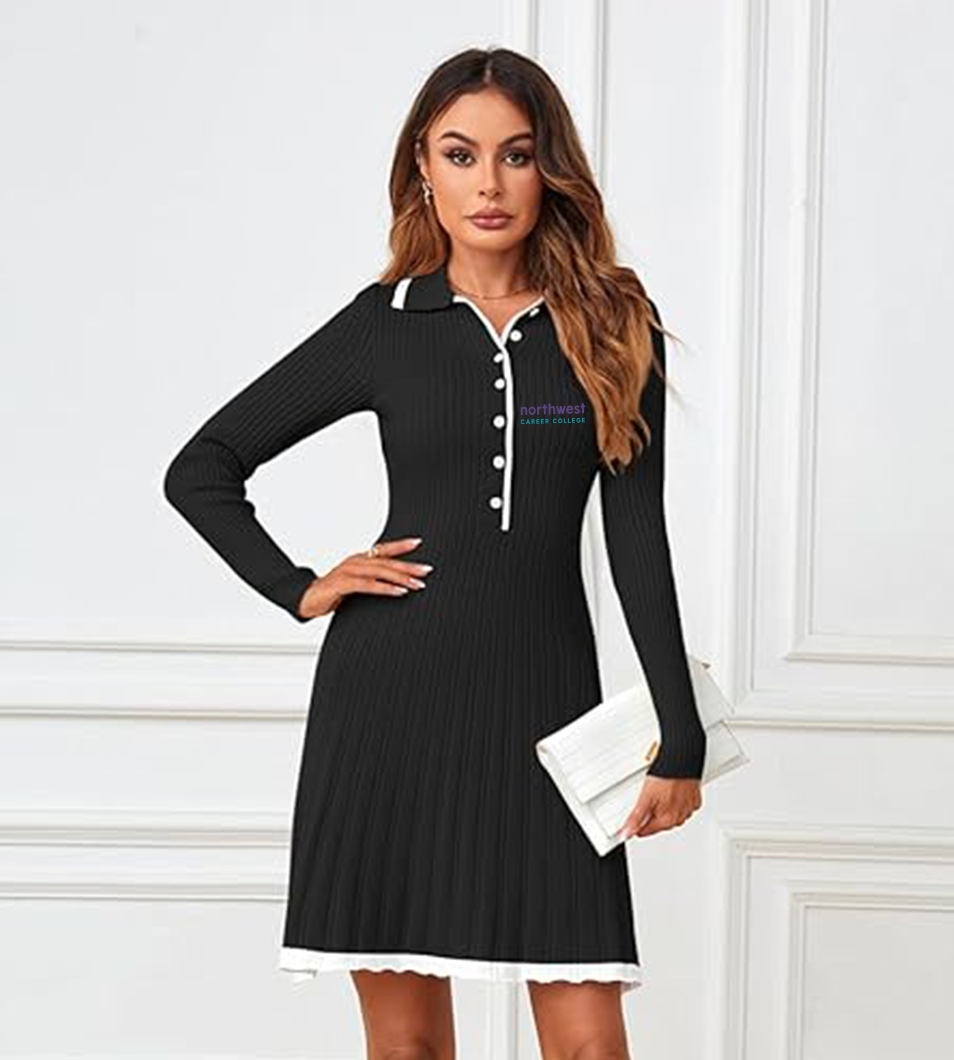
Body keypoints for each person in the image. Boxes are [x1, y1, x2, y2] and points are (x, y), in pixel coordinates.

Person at [164, 45, 705, 1060]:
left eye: (515, 154)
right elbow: (202, 466)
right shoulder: (385, 326)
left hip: (549, 710)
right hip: (389, 707)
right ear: (423, 166)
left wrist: (682, 737)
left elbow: (638, 535)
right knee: (408, 1046)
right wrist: (299, 586)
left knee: (589, 1041)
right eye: (461, 155)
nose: (488, 184)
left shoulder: (612, 322)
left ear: (550, 168)